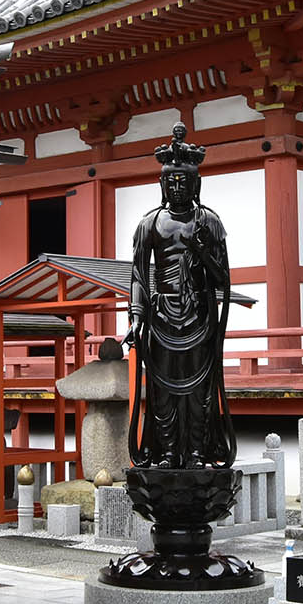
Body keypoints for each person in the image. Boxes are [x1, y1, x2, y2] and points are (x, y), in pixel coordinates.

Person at [126, 123, 234, 469]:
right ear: (161, 184)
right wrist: (136, 317)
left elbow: (223, 280)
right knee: (163, 392)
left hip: (199, 316)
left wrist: (203, 253)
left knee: (200, 393)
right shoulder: (150, 224)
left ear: (195, 184)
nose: (176, 187)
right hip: (161, 317)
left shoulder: (209, 222)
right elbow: (140, 275)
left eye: (183, 181)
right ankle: (169, 452)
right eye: (170, 181)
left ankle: (199, 452)